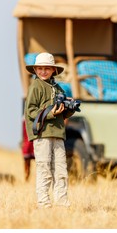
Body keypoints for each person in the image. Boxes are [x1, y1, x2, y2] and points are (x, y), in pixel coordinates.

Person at [24, 52, 75, 208]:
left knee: (61, 171)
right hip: (42, 134)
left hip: (58, 133)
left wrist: (69, 107)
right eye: (40, 68)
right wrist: (51, 112)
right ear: (35, 70)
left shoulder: (58, 88)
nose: (43, 71)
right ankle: (44, 204)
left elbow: (62, 112)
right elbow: (30, 111)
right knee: (44, 169)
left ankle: (62, 204)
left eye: (47, 68)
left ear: (54, 70)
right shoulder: (36, 86)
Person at [22, 116, 35, 182]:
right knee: (27, 163)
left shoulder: (23, 121)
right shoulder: (23, 121)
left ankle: (27, 177)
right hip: (29, 144)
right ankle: (26, 177)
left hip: (31, 143)